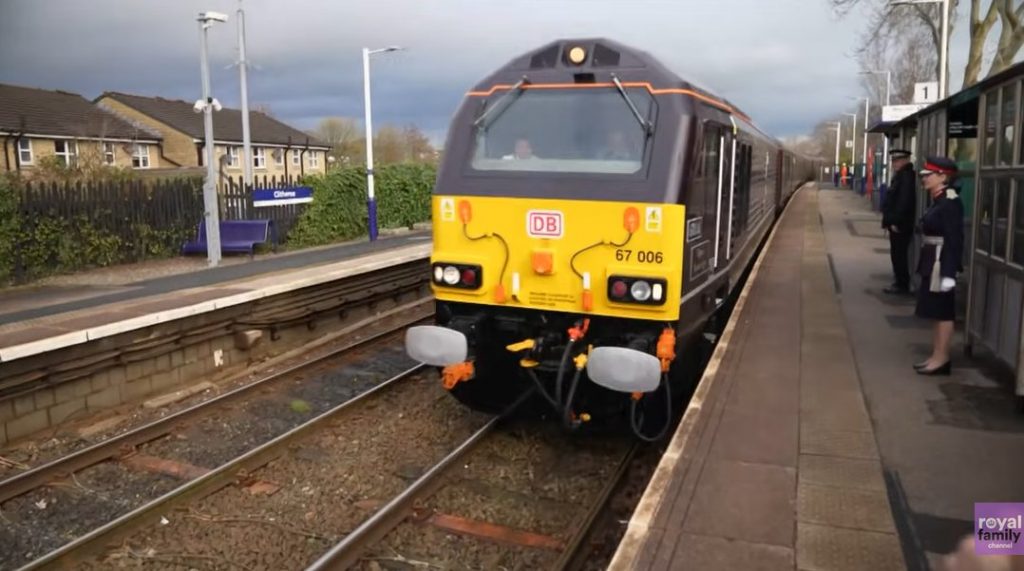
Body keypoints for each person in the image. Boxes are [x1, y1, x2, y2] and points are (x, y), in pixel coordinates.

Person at [913, 156, 964, 376]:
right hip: (932, 260)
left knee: (943, 312)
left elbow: (955, 239)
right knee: (936, 311)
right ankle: (936, 355)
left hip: (941, 262)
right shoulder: (939, 199)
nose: (924, 179)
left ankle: (942, 358)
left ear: (943, 176)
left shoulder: (950, 202)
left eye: (928, 175)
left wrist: (949, 273)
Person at [880, 149, 916, 295]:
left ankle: (902, 284)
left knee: (899, 255)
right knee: (897, 254)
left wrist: (896, 222)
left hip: (900, 225)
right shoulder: (901, 176)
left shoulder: (906, 177)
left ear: (905, 160)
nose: (894, 163)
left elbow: (903, 202)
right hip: (897, 224)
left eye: (897, 161)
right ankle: (899, 282)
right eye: (893, 161)